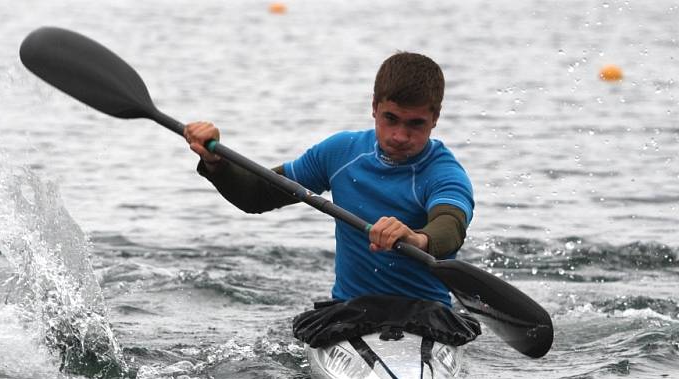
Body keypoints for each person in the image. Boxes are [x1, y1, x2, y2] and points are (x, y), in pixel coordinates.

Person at [184, 52, 474, 307]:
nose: (399, 135)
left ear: (435, 118)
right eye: (391, 118)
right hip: (350, 312)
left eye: (415, 124)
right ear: (374, 107)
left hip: (425, 314)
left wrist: (417, 238)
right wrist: (215, 161)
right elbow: (257, 195)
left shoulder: (444, 173)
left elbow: (450, 226)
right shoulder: (339, 153)